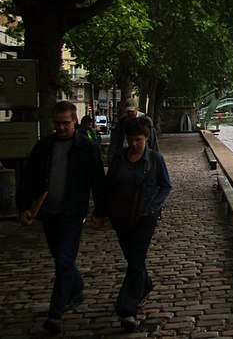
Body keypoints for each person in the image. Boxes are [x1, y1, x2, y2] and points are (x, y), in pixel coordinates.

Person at [16, 101, 106, 335]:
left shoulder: (86, 148)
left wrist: (99, 212)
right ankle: (76, 289)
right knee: (61, 258)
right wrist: (24, 206)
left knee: (64, 260)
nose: (61, 128)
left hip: (73, 213)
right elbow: (29, 178)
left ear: (75, 121)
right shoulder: (44, 147)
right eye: (57, 123)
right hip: (49, 213)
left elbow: (98, 181)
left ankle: (55, 312)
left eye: (65, 123)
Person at [105, 116, 171, 331]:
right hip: (122, 216)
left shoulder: (155, 159)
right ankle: (145, 284)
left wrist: (152, 207)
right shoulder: (118, 159)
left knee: (135, 259)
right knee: (132, 258)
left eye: (138, 140)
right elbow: (109, 186)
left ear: (147, 138)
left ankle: (127, 309)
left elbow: (165, 186)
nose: (133, 144)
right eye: (130, 140)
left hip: (145, 217)